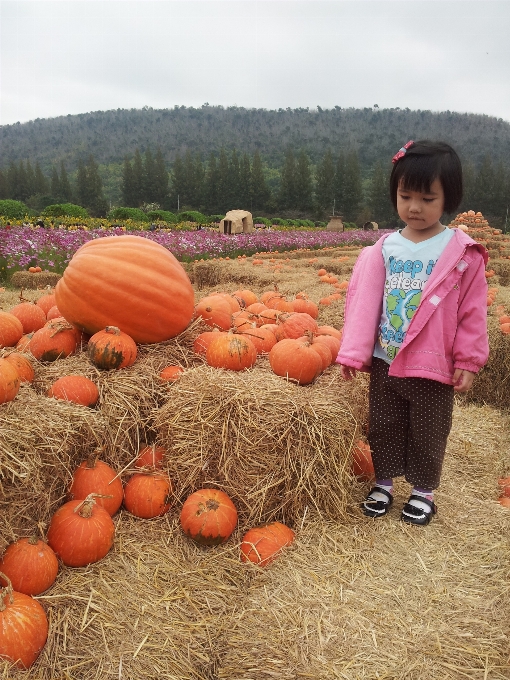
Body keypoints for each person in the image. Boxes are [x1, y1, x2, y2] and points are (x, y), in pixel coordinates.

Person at [337, 140, 489, 526]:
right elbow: (363, 302)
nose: (415, 207)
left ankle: (423, 491)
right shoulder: (384, 248)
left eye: (427, 198)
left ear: (447, 199)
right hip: (387, 357)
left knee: (428, 428)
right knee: (384, 423)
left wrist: (469, 360)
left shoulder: (460, 252)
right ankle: (384, 482)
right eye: (405, 196)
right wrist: (354, 352)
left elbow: (472, 312)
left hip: (432, 361)